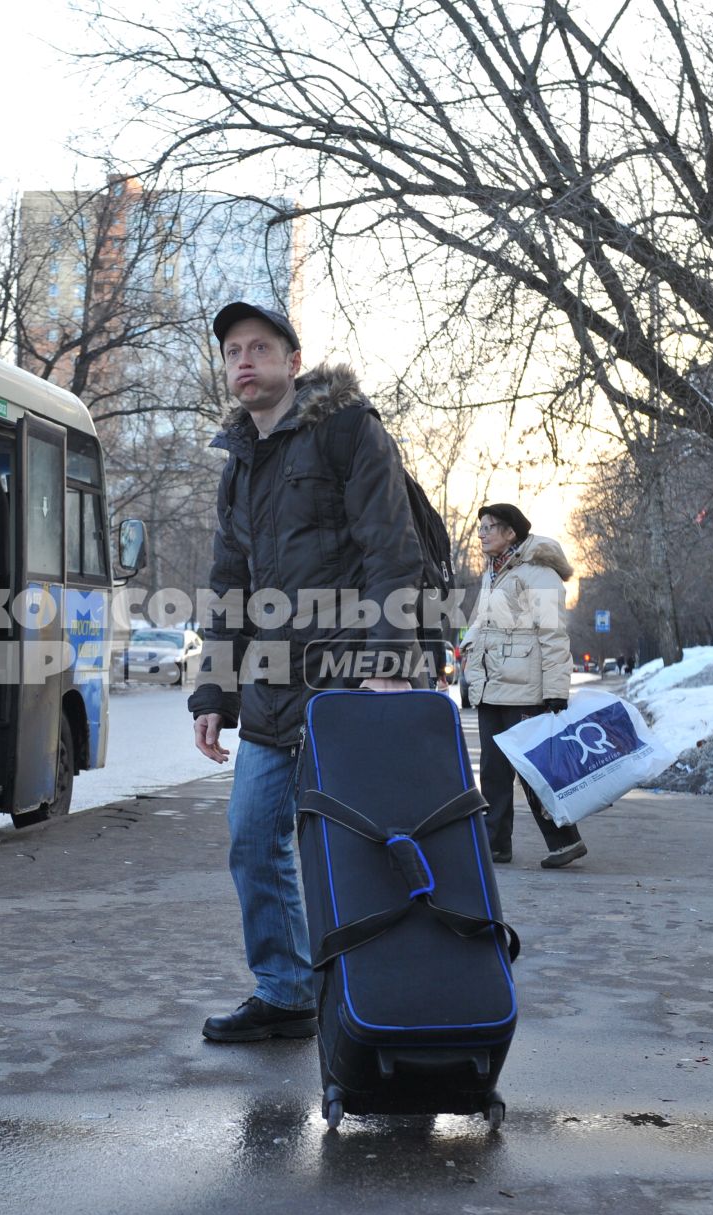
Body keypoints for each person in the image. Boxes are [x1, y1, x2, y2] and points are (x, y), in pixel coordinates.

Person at [188, 301, 425, 1043]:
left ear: (293, 361)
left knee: (353, 848)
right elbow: (228, 584)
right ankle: (287, 989)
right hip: (268, 687)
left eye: (259, 347)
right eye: (232, 352)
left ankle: (383, 993)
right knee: (253, 837)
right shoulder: (239, 465)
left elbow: (393, 552)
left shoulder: (348, 431)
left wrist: (388, 664)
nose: (244, 361)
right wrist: (213, 690)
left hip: (348, 685)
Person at [460, 502, 590, 868]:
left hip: (524, 690)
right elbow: (483, 621)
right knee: (493, 772)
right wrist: (470, 646)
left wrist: (555, 691)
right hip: (492, 686)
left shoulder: (539, 574)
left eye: (490, 527)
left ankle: (565, 841)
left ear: (510, 533)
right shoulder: (493, 572)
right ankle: (496, 844)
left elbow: (552, 634)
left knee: (533, 769)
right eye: (481, 527)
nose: (482, 533)